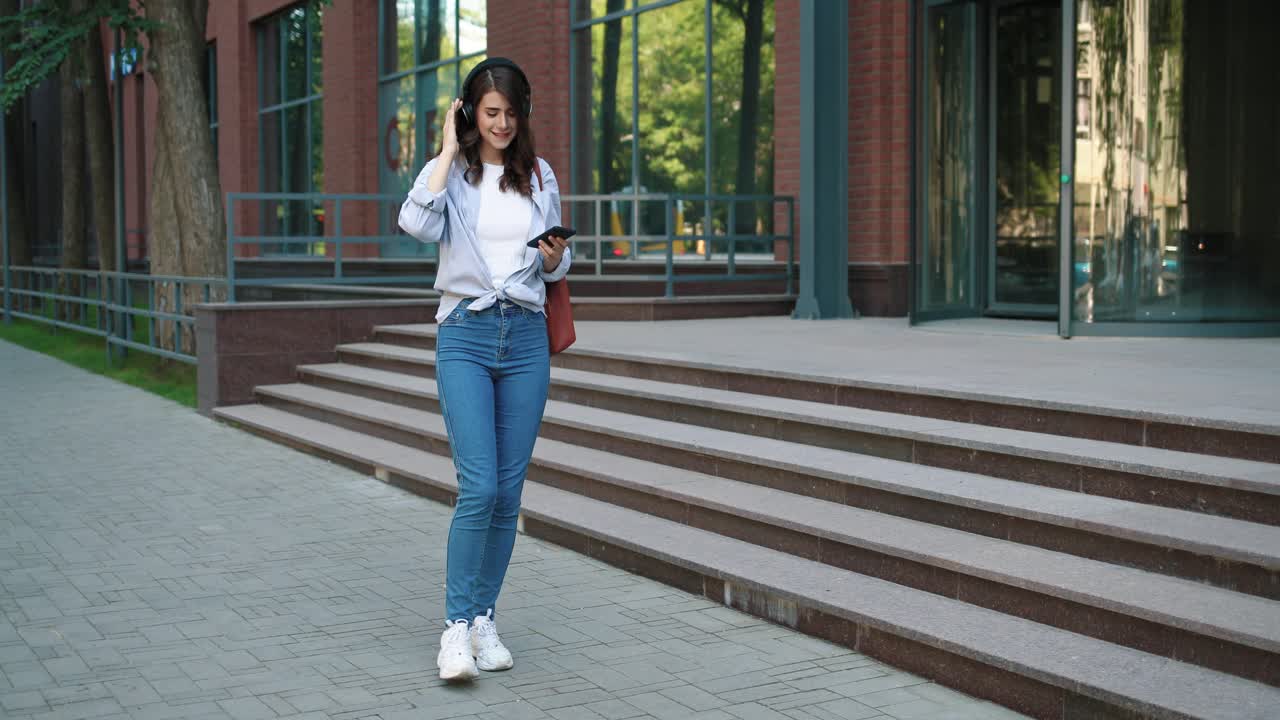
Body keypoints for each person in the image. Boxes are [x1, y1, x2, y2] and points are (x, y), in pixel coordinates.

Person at [397, 57, 571, 682]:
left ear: (523, 114)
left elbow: (557, 268)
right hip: (466, 336)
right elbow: (413, 222)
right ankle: (454, 628)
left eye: (510, 113)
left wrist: (554, 256)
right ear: (472, 113)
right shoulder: (452, 174)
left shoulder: (540, 175)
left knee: (510, 491)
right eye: (489, 113)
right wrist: (446, 149)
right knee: (481, 486)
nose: (501, 124)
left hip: (524, 338)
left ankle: (483, 619)